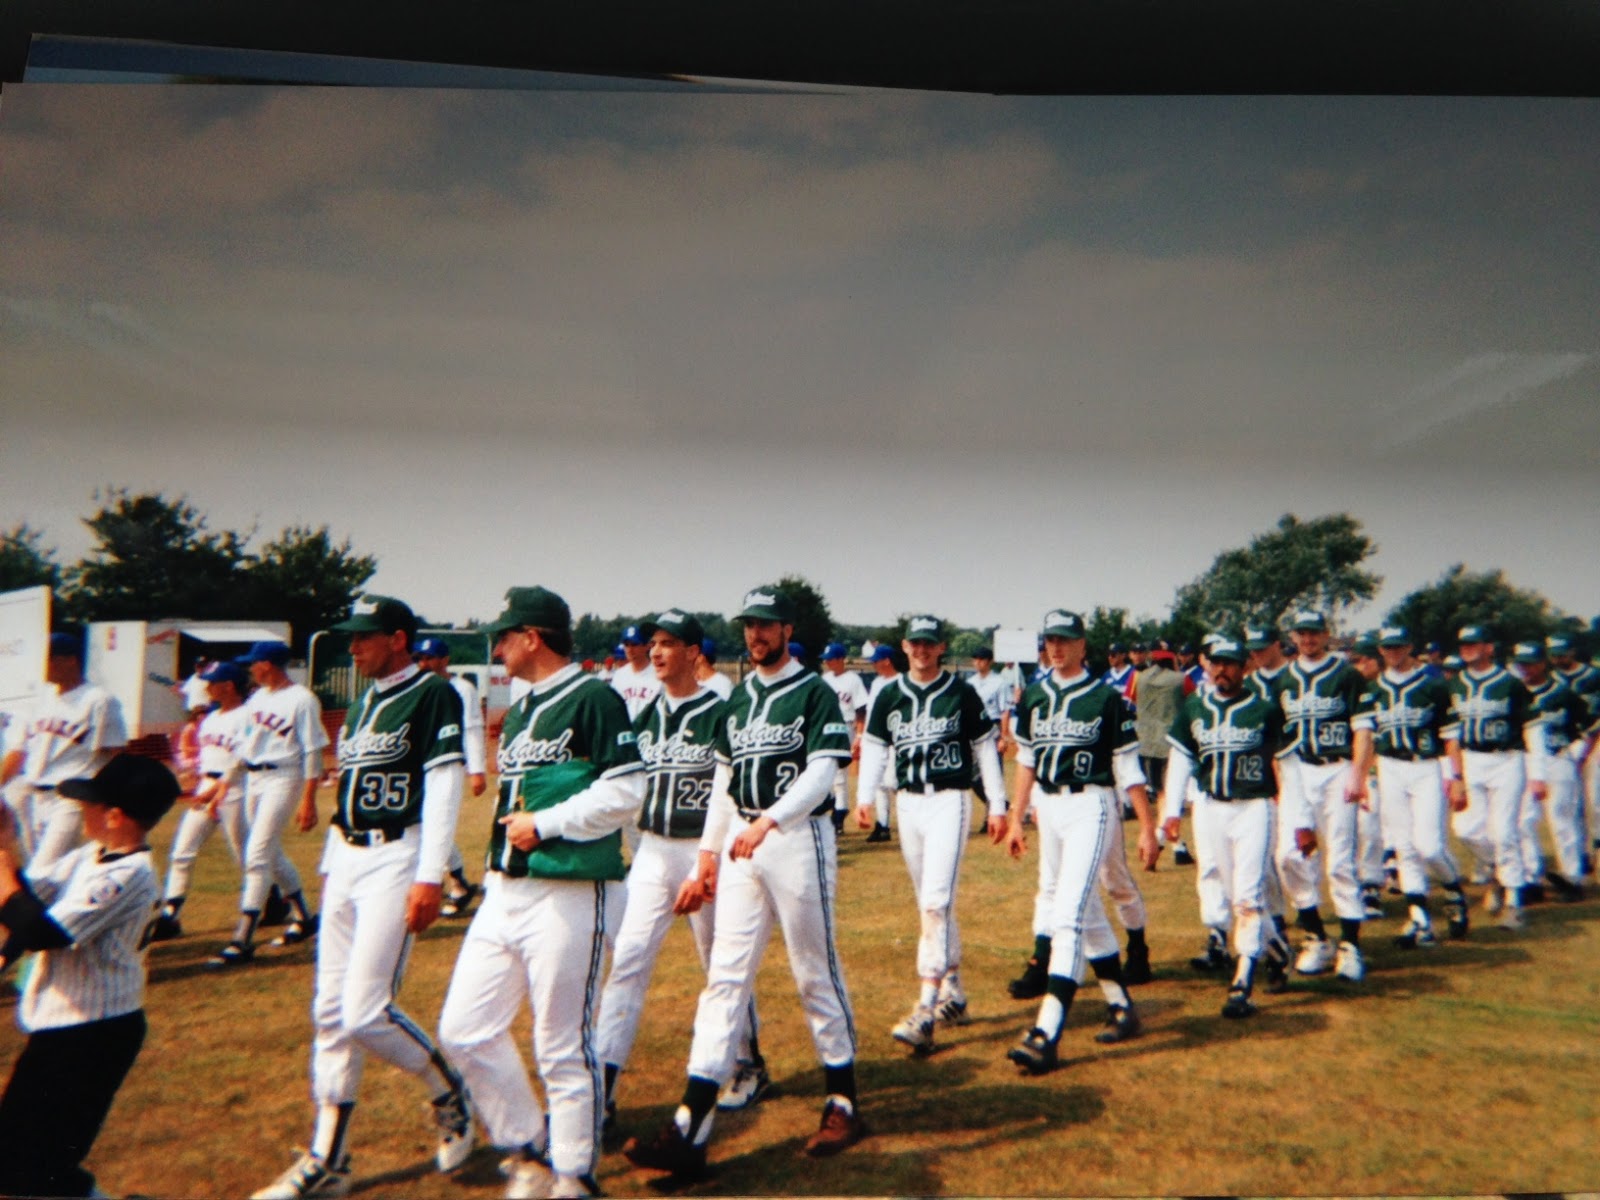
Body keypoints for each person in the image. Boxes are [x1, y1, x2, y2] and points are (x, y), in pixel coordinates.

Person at [623, 584, 863, 1181]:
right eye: (749, 625)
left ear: (787, 630)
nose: (756, 635)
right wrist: (707, 855)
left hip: (798, 841)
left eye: (767, 625)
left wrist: (769, 821)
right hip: (741, 847)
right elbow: (725, 782)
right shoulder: (739, 698)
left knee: (814, 971)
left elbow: (823, 769)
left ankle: (843, 1100)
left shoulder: (813, 691)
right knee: (724, 980)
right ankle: (689, 1126)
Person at [253, 595, 474, 1200]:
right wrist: (332, 861)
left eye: (364, 637)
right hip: (347, 857)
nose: (353, 647)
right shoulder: (364, 700)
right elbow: (349, 781)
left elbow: (446, 783)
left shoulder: (433, 693)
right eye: (350, 637)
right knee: (329, 1013)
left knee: (365, 1011)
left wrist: (432, 875)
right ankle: (330, 1160)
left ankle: (449, 1088)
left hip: (397, 855)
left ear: (398, 638)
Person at [438, 586, 645, 1200]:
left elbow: (627, 791)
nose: (495, 646)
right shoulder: (525, 707)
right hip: (506, 890)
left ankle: (575, 1176)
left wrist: (548, 824)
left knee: (561, 1043)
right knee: (465, 1029)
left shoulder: (594, 697)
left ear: (533, 637)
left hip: (570, 889)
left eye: (502, 636)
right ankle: (528, 1146)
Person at [595, 609, 768, 1138]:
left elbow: (735, 788)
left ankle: (747, 1062)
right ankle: (601, 1090)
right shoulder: (644, 716)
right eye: (653, 643)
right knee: (627, 961)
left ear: (694, 653)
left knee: (719, 964)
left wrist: (712, 857)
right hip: (653, 850)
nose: (656, 652)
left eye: (669, 643)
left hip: (704, 849)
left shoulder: (722, 711)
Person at [0, 753, 181, 1200]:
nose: (82, 810)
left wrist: (2, 865)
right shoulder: (91, 856)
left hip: (93, 1034)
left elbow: (42, 931)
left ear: (115, 816)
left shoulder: (127, 875)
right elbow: (29, 898)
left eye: (90, 803)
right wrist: (6, 839)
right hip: (64, 1029)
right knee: (23, 1158)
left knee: (30, 1164)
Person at [1003, 610, 1157, 1075]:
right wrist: (1016, 818)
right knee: (1080, 910)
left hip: (1092, 804)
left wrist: (1147, 826)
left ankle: (1046, 1030)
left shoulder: (1106, 699)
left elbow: (1129, 769)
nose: (1057, 647)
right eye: (1051, 639)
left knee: (1066, 914)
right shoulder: (1033, 694)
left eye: (1066, 639)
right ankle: (1121, 1004)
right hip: (1049, 807)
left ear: (1083, 644)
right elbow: (1026, 761)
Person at [853, 614, 1009, 1054]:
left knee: (935, 901)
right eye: (914, 643)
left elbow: (984, 748)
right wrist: (865, 797)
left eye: (929, 643)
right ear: (904, 647)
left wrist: (996, 805)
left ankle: (925, 1008)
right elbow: (876, 746)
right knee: (931, 900)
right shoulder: (889, 695)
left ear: (941, 647)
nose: (921, 651)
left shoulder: (961, 693)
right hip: (908, 801)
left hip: (949, 799)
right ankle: (953, 989)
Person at [1159, 633, 1291, 1019]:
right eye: (1216, 663)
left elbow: (1287, 765)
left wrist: (1296, 818)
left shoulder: (1264, 710)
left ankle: (1242, 982)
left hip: (1253, 807)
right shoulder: (1195, 706)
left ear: (1245, 668)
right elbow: (1181, 758)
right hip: (1210, 807)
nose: (1222, 670)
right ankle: (1279, 951)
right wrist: (1171, 810)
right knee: (1235, 893)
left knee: (1247, 898)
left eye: (1230, 663)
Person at [1348, 625, 1470, 947]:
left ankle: (1453, 890)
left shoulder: (1433, 686)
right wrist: (1360, 777)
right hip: (1390, 767)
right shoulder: (1372, 690)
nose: (1393, 653)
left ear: (1410, 647)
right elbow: (1365, 738)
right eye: (1387, 647)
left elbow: (1451, 737)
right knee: (1403, 845)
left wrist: (1456, 778)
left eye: (1399, 646)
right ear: (1380, 651)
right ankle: (1419, 920)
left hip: (1426, 765)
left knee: (1429, 844)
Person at [208, 640, 323, 967]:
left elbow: (313, 750)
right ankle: (304, 917)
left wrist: (309, 799)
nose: (250, 670)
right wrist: (223, 785)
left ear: (268, 665)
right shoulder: (258, 698)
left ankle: (242, 937)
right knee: (269, 852)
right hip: (254, 777)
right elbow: (244, 746)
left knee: (257, 853)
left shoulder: (302, 700)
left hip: (284, 776)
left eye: (253, 664)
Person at [1272, 610, 1369, 983]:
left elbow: (1362, 728)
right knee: (1288, 857)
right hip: (1297, 770)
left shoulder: (1346, 675)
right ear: (1293, 637)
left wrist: (1358, 774)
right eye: (1302, 633)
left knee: (1340, 861)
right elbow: (1279, 741)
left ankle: (1350, 946)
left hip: (1337, 768)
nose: (1308, 639)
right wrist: (1284, 788)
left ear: (1327, 634)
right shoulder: (1285, 678)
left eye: (1314, 633)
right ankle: (1316, 937)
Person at [0, 632, 129, 873]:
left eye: (48, 660)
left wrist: (111, 800)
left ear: (69, 660)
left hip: (71, 797)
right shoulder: (38, 700)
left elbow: (115, 753)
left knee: (41, 871)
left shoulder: (99, 700)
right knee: (47, 871)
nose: (42, 668)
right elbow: (18, 753)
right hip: (34, 796)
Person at [1444, 624, 1546, 930]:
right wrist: (1452, 773)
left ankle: (1514, 900)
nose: (1467, 647)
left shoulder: (1510, 683)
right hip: (1469, 758)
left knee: (1504, 831)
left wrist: (1537, 774)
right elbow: (1447, 733)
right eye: (1463, 643)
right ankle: (1500, 872)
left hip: (1506, 759)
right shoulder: (1455, 684)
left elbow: (1533, 727)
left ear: (1490, 647)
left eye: (1475, 642)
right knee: (1464, 828)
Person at [152, 660, 259, 941]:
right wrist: (202, 785)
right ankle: (170, 914)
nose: (207, 687)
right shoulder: (210, 718)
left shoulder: (248, 715)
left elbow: (242, 758)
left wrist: (216, 791)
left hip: (236, 787)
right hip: (208, 784)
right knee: (181, 852)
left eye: (213, 682)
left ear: (229, 686)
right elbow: (207, 757)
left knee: (246, 855)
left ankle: (272, 902)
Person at [1511, 640, 1594, 901]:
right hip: (1524, 762)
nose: (1525, 669)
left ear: (1542, 663)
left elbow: (1590, 724)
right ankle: (1532, 877)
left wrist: (1579, 754)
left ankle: (1573, 878)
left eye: (1530, 663)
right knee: (1524, 821)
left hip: (1557, 759)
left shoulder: (1562, 693)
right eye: (1521, 664)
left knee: (1561, 821)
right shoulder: (1513, 693)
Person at [413, 636, 488, 917]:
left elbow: (472, 728)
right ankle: (458, 882)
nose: (423, 664)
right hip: (421, 762)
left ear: (445, 660)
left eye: (429, 658)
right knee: (423, 825)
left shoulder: (461, 688)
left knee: (434, 823)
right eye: (419, 659)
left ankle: (457, 884)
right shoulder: (418, 687)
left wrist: (477, 770)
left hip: (449, 760)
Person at [820, 642, 872, 833]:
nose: (828, 663)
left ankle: (840, 814)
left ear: (841, 659)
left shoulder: (853, 679)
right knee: (827, 772)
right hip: (826, 728)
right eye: (826, 660)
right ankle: (837, 810)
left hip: (845, 726)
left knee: (840, 773)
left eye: (831, 659)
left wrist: (859, 734)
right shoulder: (825, 679)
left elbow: (861, 709)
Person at [863, 644, 901, 843]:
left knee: (894, 782)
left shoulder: (900, 681)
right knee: (879, 783)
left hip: (894, 741)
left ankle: (906, 821)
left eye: (877, 661)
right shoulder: (877, 682)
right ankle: (882, 825)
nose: (874, 665)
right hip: (875, 740)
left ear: (887, 660)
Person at [609, 624, 661, 720]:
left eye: (634, 645)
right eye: (626, 645)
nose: (630, 650)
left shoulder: (659, 673)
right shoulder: (619, 675)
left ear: (647, 646)